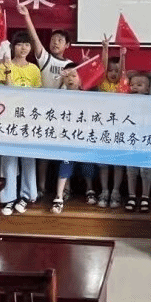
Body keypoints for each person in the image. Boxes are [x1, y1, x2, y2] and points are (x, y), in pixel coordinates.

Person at [15, 2, 72, 200]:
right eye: (53, 39)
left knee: (65, 154)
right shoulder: (45, 58)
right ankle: (40, 188)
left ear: (67, 45)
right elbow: (34, 38)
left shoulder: (71, 66)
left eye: (60, 40)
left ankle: (65, 189)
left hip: (62, 114)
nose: (55, 43)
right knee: (42, 155)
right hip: (42, 112)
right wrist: (26, 16)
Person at [0, 31, 42, 215]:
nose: (23, 48)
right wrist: (7, 69)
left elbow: (37, 96)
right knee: (8, 159)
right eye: (20, 44)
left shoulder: (34, 69)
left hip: (28, 119)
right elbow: (5, 92)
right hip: (8, 119)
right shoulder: (4, 66)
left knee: (28, 158)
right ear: (13, 47)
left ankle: (27, 195)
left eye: (27, 44)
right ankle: (8, 198)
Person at [51, 63, 97, 214]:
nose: (70, 79)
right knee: (65, 162)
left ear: (80, 78)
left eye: (74, 75)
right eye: (67, 76)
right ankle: (59, 196)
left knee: (87, 162)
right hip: (66, 137)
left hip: (84, 137)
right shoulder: (60, 95)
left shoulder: (88, 95)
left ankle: (89, 189)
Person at [97, 36, 127, 208]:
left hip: (120, 130)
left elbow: (123, 71)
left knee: (117, 164)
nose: (113, 73)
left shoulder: (122, 85)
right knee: (103, 164)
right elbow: (102, 67)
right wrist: (105, 49)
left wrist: (122, 55)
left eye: (116, 70)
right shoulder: (103, 83)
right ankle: (104, 191)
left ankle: (115, 192)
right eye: (110, 71)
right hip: (103, 129)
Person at [125, 71, 151, 212]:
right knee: (131, 169)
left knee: (146, 169)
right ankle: (131, 195)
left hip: (147, 141)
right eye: (132, 85)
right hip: (131, 140)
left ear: (148, 89)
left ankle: (145, 196)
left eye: (139, 85)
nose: (135, 87)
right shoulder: (126, 101)